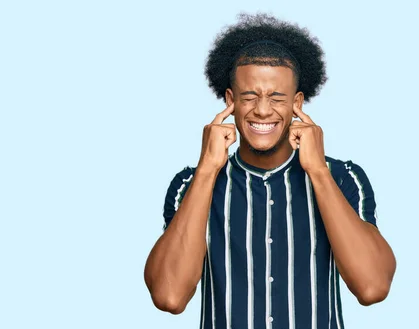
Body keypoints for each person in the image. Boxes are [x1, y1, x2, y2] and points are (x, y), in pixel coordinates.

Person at [144, 13, 396, 329]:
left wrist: (317, 171)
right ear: (230, 101)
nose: (263, 110)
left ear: (297, 103)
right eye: (250, 96)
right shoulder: (190, 185)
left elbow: (372, 287)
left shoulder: (344, 177)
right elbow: (169, 295)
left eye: (277, 97)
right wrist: (207, 170)